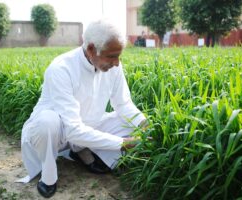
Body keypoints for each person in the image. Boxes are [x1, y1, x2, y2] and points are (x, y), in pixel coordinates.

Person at [20, 19, 147, 198]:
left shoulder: (113, 67)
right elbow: (72, 129)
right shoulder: (61, 68)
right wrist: (123, 144)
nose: (117, 63)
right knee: (48, 122)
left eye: (119, 56)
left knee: (130, 122)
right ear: (90, 49)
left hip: (86, 126)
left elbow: (123, 104)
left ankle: (80, 150)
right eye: (111, 56)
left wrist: (145, 124)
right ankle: (48, 177)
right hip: (56, 132)